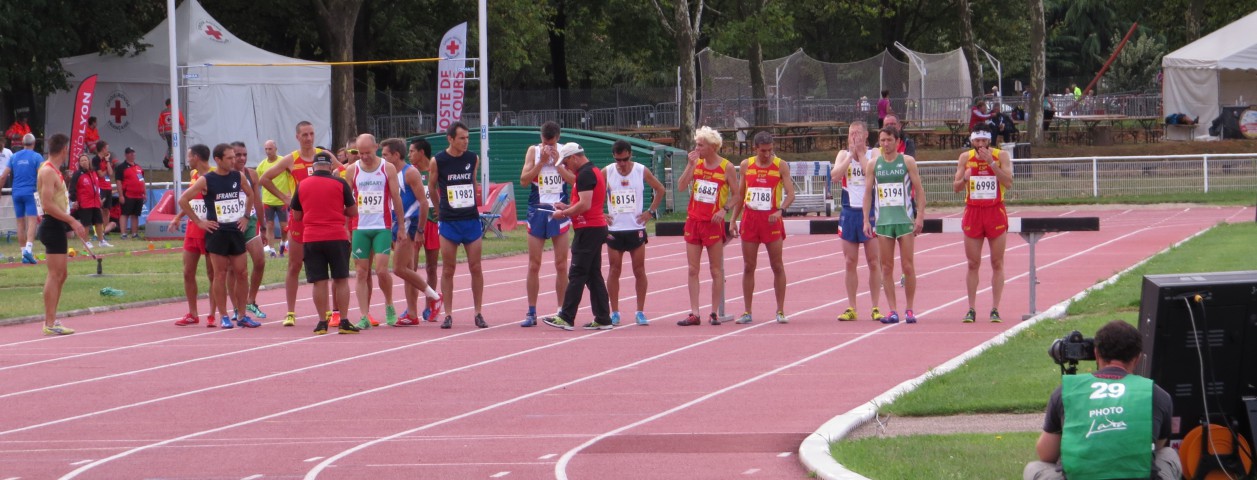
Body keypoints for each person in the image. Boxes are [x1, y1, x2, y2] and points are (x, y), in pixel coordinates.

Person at [1024, 320, 1180, 480]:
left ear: (1096, 353)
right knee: (1168, 453)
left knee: (1034, 467)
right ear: (1137, 358)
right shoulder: (1157, 393)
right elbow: (1157, 445)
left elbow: (1046, 453)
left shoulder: (1066, 391)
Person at [259, 121, 341, 327]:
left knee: (326, 266)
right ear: (297, 137)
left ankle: (329, 310)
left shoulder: (324, 156)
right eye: (304, 134)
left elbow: (345, 172)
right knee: (294, 265)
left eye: (312, 133)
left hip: (324, 218)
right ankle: (290, 312)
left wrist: (337, 180)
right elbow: (265, 179)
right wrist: (286, 198)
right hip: (300, 219)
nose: (309, 138)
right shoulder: (291, 159)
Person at [179, 144, 259, 329]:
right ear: (218, 159)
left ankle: (242, 315)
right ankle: (223, 316)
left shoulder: (238, 176)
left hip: (235, 230)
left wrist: (246, 217)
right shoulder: (207, 180)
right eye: (229, 158)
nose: (234, 161)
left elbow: (250, 193)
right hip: (217, 233)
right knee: (219, 274)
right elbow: (183, 200)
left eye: (234, 157)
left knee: (242, 272)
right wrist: (199, 222)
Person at [540, 142, 613, 330]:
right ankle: (603, 317)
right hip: (592, 227)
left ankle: (566, 316)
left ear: (574, 157)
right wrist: (567, 207)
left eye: (566, 162)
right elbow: (583, 202)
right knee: (593, 274)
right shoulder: (591, 171)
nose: (565, 167)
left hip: (589, 228)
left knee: (578, 272)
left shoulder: (586, 174)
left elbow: (585, 204)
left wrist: (564, 214)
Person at [291, 151, 360, 335]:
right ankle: (344, 321)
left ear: (313, 168)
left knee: (318, 282)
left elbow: (297, 215)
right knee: (341, 279)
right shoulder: (340, 183)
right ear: (330, 167)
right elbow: (353, 211)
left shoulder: (302, 184)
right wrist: (337, 211)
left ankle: (322, 322)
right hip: (336, 236)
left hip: (312, 237)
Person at [730, 132, 795, 324]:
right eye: (763, 151)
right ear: (755, 149)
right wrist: (733, 219)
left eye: (770, 150)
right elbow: (741, 196)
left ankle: (780, 310)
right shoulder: (746, 165)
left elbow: (791, 194)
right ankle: (747, 311)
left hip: (771, 220)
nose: (767, 154)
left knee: (777, 265)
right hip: (750, 220)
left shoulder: (780, 165)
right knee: (749, 266)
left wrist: (780, 210)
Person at [677, 126, 739, 326]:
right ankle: (694, 312)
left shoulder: (726, 167)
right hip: (694, 221)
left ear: (713, 147)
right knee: (692, 269)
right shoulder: (697, 164)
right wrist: (690, 165)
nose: (697, 148)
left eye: (700, 145)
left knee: (715, 269)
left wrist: (725, 209)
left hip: (713, 223)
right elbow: (680, 186)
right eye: (697, 144)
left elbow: (738, 194)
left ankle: (714, 312)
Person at [428, 121, 488, 329]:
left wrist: (474, 202)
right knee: (448, 269)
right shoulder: (438, 161)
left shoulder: (473, 158)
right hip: (449, 221)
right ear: (450, 139)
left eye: (468, 138)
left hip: (470, 219)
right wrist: (438, 209)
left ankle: (478, 312)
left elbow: (472, 181)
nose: (466, 142)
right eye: (462, 138)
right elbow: (432, 185)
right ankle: (448, 314)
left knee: (476, 267)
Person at [863, 125, 925, 324]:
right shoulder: (874, 164)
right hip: (883, 222)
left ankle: (909, 309)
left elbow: (919, 190)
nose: (886, 144)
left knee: (908, 266)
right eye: (882, 141)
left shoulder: (907, 161)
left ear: (898, 142)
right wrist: (866, 219)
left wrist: (920, 216)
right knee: (886, 267)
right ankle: (892, 310)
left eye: (889, 140)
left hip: (904, 220)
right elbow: (867, 193)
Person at [343, 133, 405, 328]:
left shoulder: (387, 168)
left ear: (376, 147)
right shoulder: (352, 170)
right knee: (361, 273)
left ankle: (389, 304)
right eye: (360, 153)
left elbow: (396, 197)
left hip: (381, 227)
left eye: (367, 152)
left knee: (381, 270)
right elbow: (345, 201)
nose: (364, 157)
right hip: (360, 227)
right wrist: (344, 227)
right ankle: (364, 315)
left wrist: (401, 226)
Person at [953, 125, 1013, 323]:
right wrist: (964, 178)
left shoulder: (1001, 156)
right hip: (973, 211)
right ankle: (971, 308)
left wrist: (992, 165)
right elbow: (956, 188)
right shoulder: (965, 158)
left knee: (997, 262)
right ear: (972, 141)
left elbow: (1009, 182)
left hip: (994, 211)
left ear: (989, 140)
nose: (980, 144)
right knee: (973, 263)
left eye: (983, 141)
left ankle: (995, 308)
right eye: (977, 141)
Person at [381, 137, 443, 326]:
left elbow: (423, 203)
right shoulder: (388, 173)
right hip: (397, 223)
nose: (382, 158)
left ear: (395, 155)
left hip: (409, 225)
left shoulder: (410, 173)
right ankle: (413, 313)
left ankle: (434, 296)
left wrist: (420, 230)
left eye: (385, 155)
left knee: (399, 269)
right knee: (408, 270)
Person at [603, 140, 665, 326]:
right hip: (615, 228)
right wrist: (600, 213)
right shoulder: (607, 172)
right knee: (614, 270)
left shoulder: (640, 170)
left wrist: (650, 212)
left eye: (625, 159)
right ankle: (614, 312)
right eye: (618, 160)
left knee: (639, 270)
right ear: (614, 157)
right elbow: (592, 191)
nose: (622, 163)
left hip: (636, 227)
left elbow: (660, 189)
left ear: (630, 155)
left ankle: (640, 311)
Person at [518, 121, 572, 327]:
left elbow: (575, 180)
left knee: (561, 264)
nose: (548, 146)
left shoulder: (565, 152)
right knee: (534, 264)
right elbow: (523, 180)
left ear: (557, 138)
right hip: (537, 210)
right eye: (544, 142)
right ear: (540, 138)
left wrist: (558, 163)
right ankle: (531, 312)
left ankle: (562, 311)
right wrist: (540, 163)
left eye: (551, 142)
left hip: (559, 210)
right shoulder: (533, 151)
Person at [35, 134, 87, 335]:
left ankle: (52, 319)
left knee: (61, 274)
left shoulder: (54, 170)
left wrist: (69, 218)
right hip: (52, 224)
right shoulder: (48, 171)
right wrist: (72, 220)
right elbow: (47, 204)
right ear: (64, 149)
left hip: (57, 224)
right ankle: (49, 322)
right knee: (55, 274)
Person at [831, 122, 884, 322]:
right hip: (849, 212)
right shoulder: (842, 155)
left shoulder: (874, 154)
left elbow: (875, 175)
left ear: (866, 135)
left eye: (858, 133)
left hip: (870, 213)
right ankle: (852, 306)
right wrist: (850, 157)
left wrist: (861, 156)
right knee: (849, 261)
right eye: (851, 134)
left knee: (873, 261)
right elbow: (835, 176)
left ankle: (875, 306)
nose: (855, 137)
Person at [172, 145, 219, 327]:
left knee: (212, 273)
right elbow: (191, 199)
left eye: (189, 155)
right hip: (193, 230)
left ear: (197, 157)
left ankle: (213, 314)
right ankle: (193, 313)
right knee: (187, 272)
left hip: (210, 229)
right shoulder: (193, 175)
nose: (187, 158)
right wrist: (178, 217)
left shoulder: (216, 175)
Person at [230, 141, 269, 319]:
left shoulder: (251, 174)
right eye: (238, 155)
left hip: (250, 221)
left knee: (260, 261)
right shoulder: (222, 175)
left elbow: (257, 201)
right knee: (234, 269)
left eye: (245, 154)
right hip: (231, 224)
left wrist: (264, 226)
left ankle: (250, 300)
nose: (242, 158)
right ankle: (236, 307)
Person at [9, 133, 43, 264]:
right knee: (32, 221)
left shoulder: (14, 156)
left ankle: (23, 253)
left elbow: (4, 175)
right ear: (34, 144)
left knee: (20, 223)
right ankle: (28, 250)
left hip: (16, 192)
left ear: (22, 143)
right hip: (30, 192)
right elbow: (42, 175)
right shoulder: (36, 156)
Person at [254, 139, 292, 256]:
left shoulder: (283, 162)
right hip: (268, 200)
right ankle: (271, 249)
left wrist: (290, 193)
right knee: (269, 225)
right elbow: (258, 182)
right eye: (266, 149)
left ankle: (283, 243)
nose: (268, 151)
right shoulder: (261, 165)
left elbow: (291, 177)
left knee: (283, 226)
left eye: (270, 149)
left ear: (276, 149)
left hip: (281, 200)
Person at [69, 154, 104, 247]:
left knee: (99, 221)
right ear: (79, 163)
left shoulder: (93, 173)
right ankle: (86, 242)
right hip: (85, 202)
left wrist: (99, 198)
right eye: (82, 161)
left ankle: (101, 241)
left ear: (89, 161)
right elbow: (72, 188)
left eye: (85, 160)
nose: (84, 162)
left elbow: (97, 187)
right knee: (86, 223)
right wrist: (74, 200)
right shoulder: (78, 174)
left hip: (95, 202)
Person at [114, 147, 146, 239]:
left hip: (138, 195)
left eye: (133, 153)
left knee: (135, 214)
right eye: (130, 153)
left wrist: (144, 193)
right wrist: (120, 195)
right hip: (128, 194)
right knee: (125, 214)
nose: (132, 155)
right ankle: (123, 233)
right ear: (126, 155)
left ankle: (134, 233)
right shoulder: (121, 167)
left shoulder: (138, 167)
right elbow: (118, 182)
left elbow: (142, 180)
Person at [90, 140, 116, 247]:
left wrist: (108, 162)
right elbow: (100, 174)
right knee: (99, 210)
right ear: (103, 149)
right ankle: (97, 233)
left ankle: (103, 233)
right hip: (100, 187)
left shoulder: (107, 159)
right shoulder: (96, 159)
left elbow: (110, 173)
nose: (108, 150)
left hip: (108, 187)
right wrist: (105, 169)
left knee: (106, 210)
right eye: (107, 148)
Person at [157, 98, 186, 162]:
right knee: (175, 146)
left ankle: (168, 159)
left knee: (170, 146)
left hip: (167, 132)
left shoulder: (163, 112)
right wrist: (184, 132)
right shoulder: (176, 111)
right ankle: (171, 161)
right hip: (174, 132)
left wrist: (161, 133)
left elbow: (160, 124)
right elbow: (182, 122)